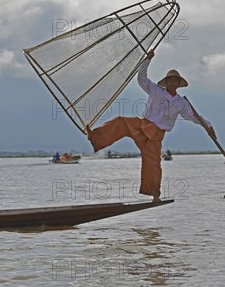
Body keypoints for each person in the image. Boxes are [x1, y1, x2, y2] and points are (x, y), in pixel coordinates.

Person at [85, 49, 216, 202]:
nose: (172, 83)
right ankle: (94, 137)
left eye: (175, 81)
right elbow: (142, 79)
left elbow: (194, 117)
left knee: (153, 164)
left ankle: (155, 195)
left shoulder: (181, 103)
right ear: (166, 82)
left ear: (179, 84)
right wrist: (147, 60)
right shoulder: (156, 90)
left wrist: (209, 127)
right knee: (121, 122)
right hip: (141, 126)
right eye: (170, 80)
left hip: (156, 136)